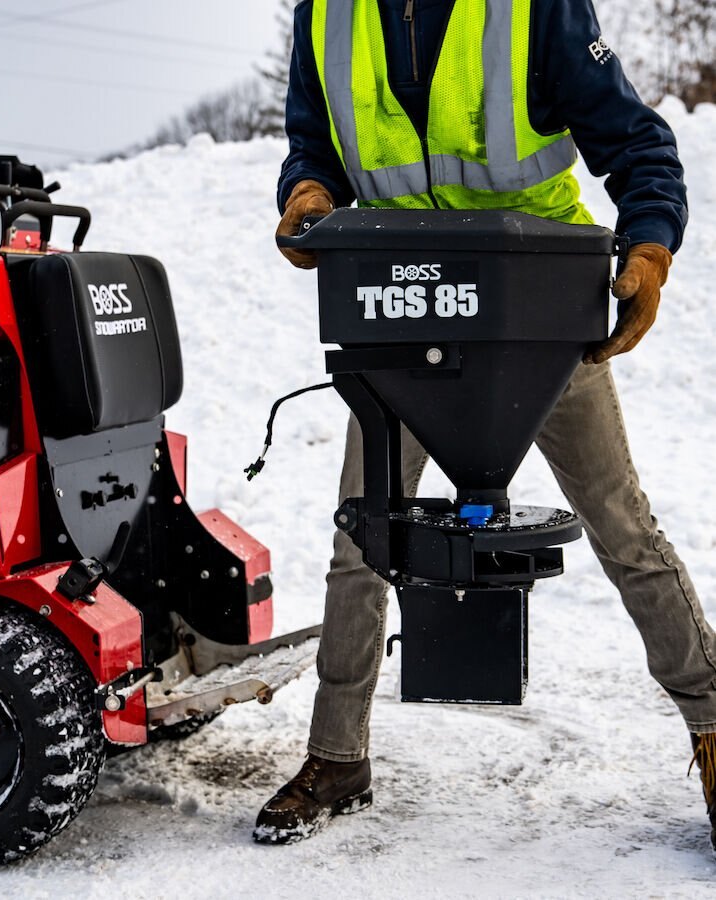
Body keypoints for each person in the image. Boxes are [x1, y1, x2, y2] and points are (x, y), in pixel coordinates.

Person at [254, 0, 716, 847]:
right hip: (404, 307)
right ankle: (337, 756)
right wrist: (308, 191)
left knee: (624, 530)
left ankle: (715, 727)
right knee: (362, 535)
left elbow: (637, 143)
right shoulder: (327, 14)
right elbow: (312, 144)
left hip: (538, 310)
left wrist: (650, 247)